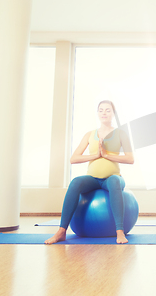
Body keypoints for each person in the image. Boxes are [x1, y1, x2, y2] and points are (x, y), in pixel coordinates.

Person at [45, 100, 134, 244]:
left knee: (114, 181)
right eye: (101, 110)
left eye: (108, 110)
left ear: (113, 113)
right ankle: (61, 231)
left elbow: (130, 159)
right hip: (93, 178)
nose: (104, 113)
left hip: (114, 177)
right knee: (75, 182)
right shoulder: (90, 134)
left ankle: (120, 232)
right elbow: (73, 159)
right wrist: (96, 155)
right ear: (97, 113)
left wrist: (106, 155)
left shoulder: (121, 133)